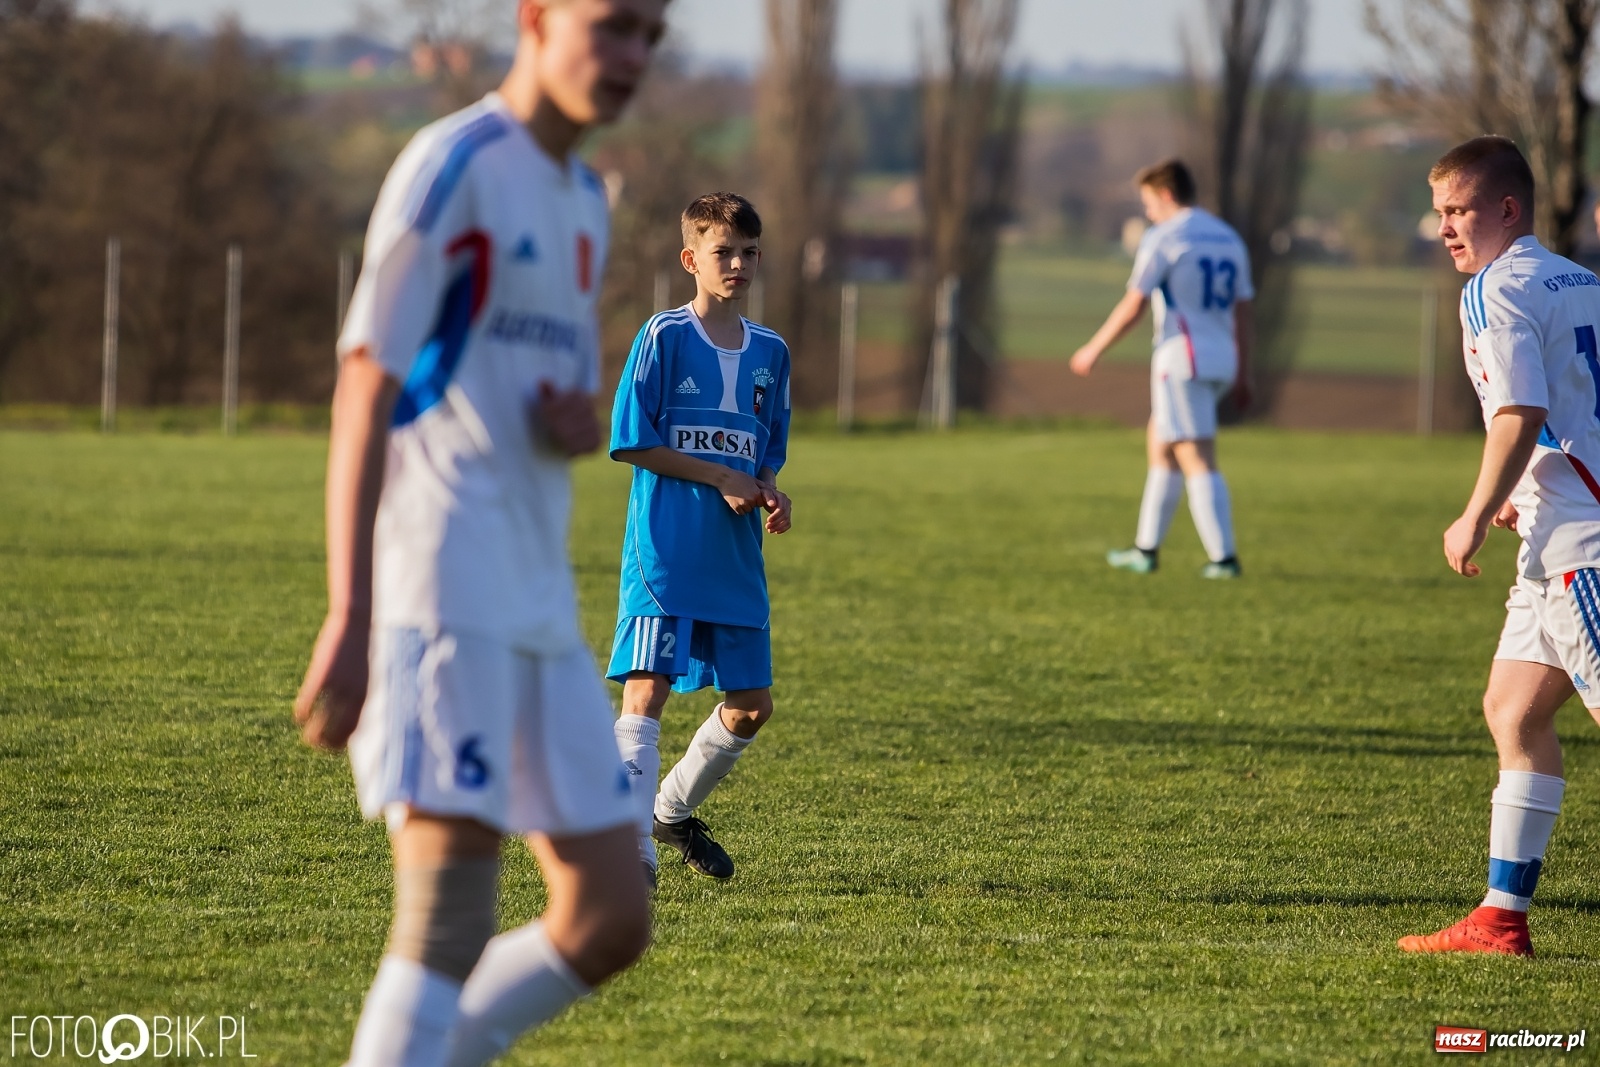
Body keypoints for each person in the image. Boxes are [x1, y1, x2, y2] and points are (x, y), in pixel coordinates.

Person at [291, 2, 668, 1063]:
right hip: (440, 589)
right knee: (447, 918)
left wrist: (574, 425)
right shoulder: (451, 164)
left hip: (539, 602)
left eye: (652, 33)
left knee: (609, 913)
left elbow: (551, 400)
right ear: (536, 19)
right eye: (612, 24)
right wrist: (354, 613)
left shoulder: (586, 202)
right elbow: (365, 384)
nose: (632, 53)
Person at [1399, 136, 1600, 957]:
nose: (1445, 227)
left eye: (1461, 210)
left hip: (1583, 541)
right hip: (1554, 531)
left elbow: (1519, 408)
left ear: (1508, 209)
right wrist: (1525, 492)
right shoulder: (1581, 279)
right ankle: (1500, 918)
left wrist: (1477, 510)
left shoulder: (1494, 287)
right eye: (1440, 210)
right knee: (1512, 709)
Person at [605, 192, 793, 886]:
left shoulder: (772, 352)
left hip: (735, 558)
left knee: (752, 707)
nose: (737, 263)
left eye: (747, 252)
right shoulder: (662, 336)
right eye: (723, 251)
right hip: (666, 552)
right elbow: (633, 441)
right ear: (692, 259)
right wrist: (718, 475)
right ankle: (631, 851)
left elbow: (766, 447)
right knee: (645, 691)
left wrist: (769, 487)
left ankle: (670, 811)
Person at [1069, 159, 1254, 579]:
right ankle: (1145, 549)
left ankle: (1223, 559)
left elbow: (1135, 302)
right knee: (1161, 444)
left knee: (1196, 455)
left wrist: (1093, 348)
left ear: (1167, 195)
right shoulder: (1228, 237)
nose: (1148, 212)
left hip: (1181, 358)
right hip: (1221, 357)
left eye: (1149, 203)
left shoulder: (1166, 236)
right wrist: (1244, 371)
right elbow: (1244, 311)